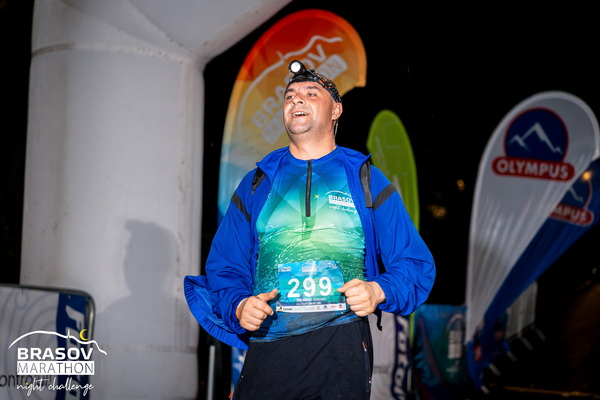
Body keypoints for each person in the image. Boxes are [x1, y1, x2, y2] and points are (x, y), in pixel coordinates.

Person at [184, 60, 436, 400]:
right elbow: (225, 265)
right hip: (270, 344)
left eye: (310, 93)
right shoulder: (257, 182)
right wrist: (239, 305)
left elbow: (415, 263)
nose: (296, 100)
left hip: (342, 344)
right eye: (289, 96)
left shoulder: (366, 178)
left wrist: (378, 290)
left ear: (336, 110)